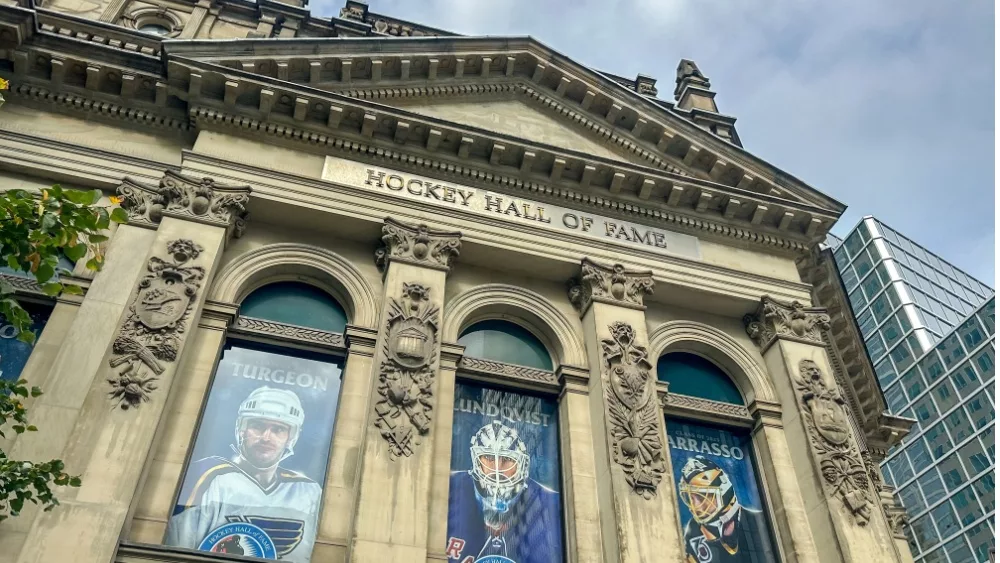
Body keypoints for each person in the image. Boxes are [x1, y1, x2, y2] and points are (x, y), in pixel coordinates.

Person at [166, 386, 321, 562]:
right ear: (242, 429)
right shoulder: (209, 476)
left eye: (278, 429)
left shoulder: (308, 491)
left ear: (290, 438)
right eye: (257, 426)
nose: (266, 437)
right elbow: (177, 550)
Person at [446, 421, 563, 563]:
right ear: (476, 460)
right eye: (489, 457)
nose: (497, 467)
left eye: (507, 459)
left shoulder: (549, 504)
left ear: (521, 465)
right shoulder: (450, 488)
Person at [678, 455, 776, 563]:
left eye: (701, 496)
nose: (695, 504)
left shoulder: (760, 523)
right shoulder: (693, 532)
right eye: (691, 498)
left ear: (723, 491)